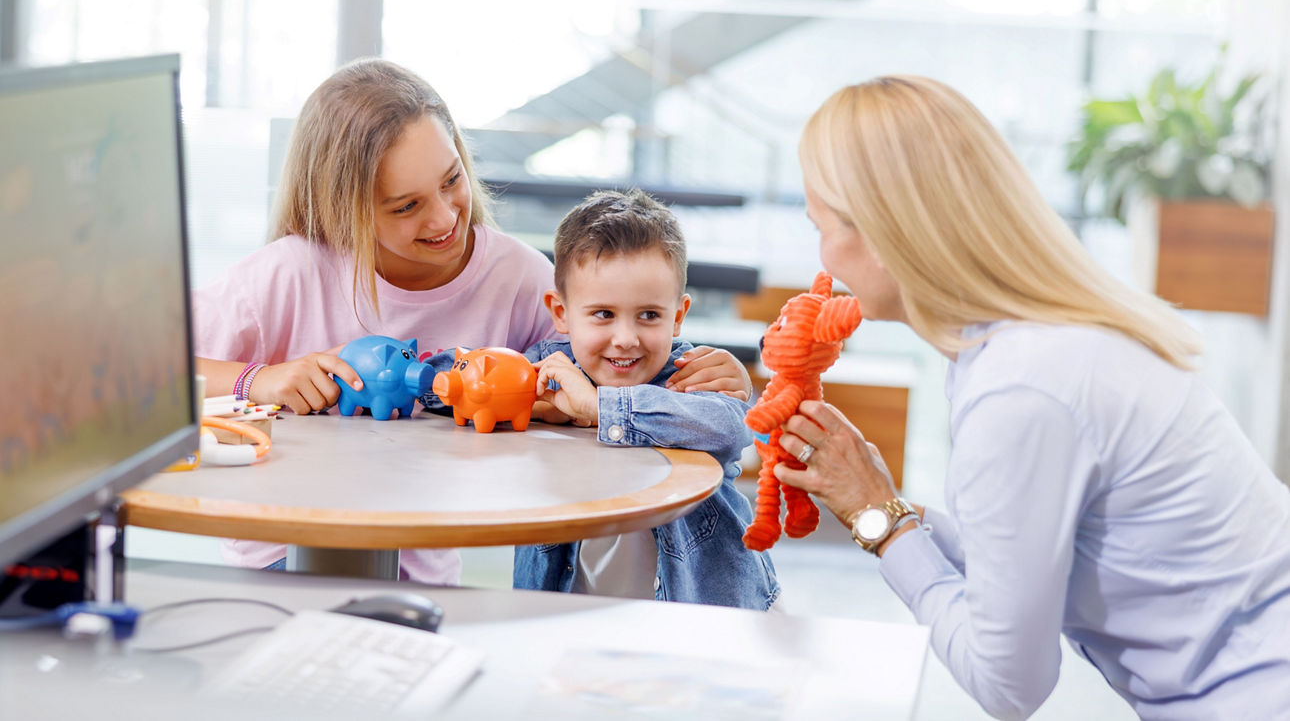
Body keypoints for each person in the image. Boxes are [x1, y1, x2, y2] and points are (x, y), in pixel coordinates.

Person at [773, 75, 1290, 719]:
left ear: (883, 235)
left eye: (819, 224)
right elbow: (1021, 551)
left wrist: (877, 522)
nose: (821, 258)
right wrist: (885, 502)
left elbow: (1008, 684)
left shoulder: (1020, 391)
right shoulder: (1035, 341)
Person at [191, 59, 750, 583]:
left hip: (424, 573)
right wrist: (254, 381)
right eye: (405, 206)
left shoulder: (518, 278)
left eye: (451, 180)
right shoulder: (289, 273)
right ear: (343, 206)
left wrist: (708, 378)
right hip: (281, 559)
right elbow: (132, 368)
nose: (443, 217)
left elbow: (619, 364)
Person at [509, 188, 779, 609]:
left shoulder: (690, 375)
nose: (626, 339)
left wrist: (597, 408)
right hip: (572, 608)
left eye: (649, 315)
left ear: (678, 316)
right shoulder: (547, 372)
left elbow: (730, 427)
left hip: (702, 618)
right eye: (603, 314)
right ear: (561, 313)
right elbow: (467, 381)